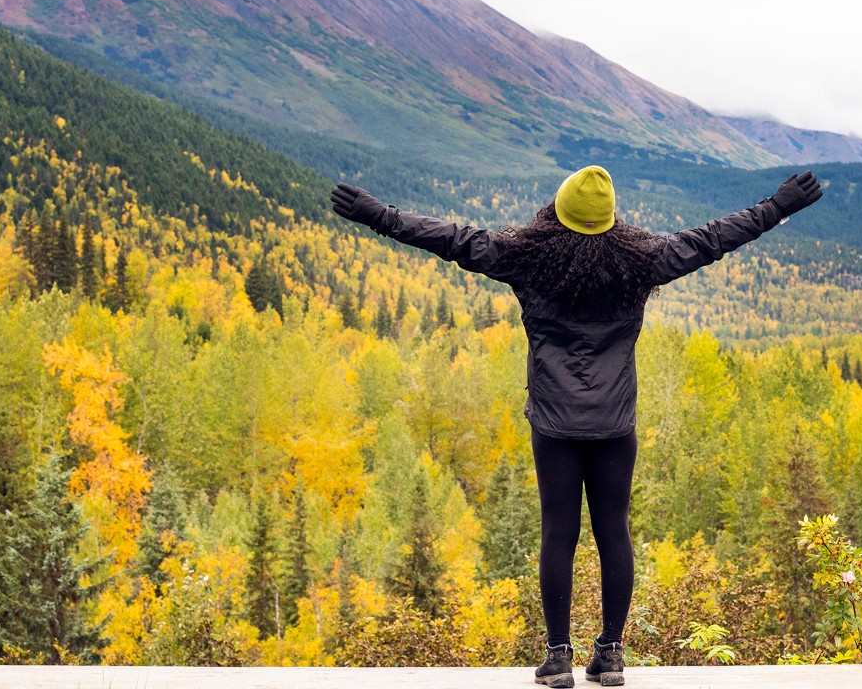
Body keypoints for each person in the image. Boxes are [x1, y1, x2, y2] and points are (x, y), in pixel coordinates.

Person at [331, 166, 823, 686]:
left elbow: (453, 240)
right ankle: (610, 654)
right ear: (610, 218)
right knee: (615, 532)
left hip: (553, 421)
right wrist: (778, 205)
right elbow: (715, 238)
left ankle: (558, 656)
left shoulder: (526, 257)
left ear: (559, 210)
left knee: (558, 534)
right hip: (615, 422)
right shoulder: (642, 260)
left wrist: (378, 216)